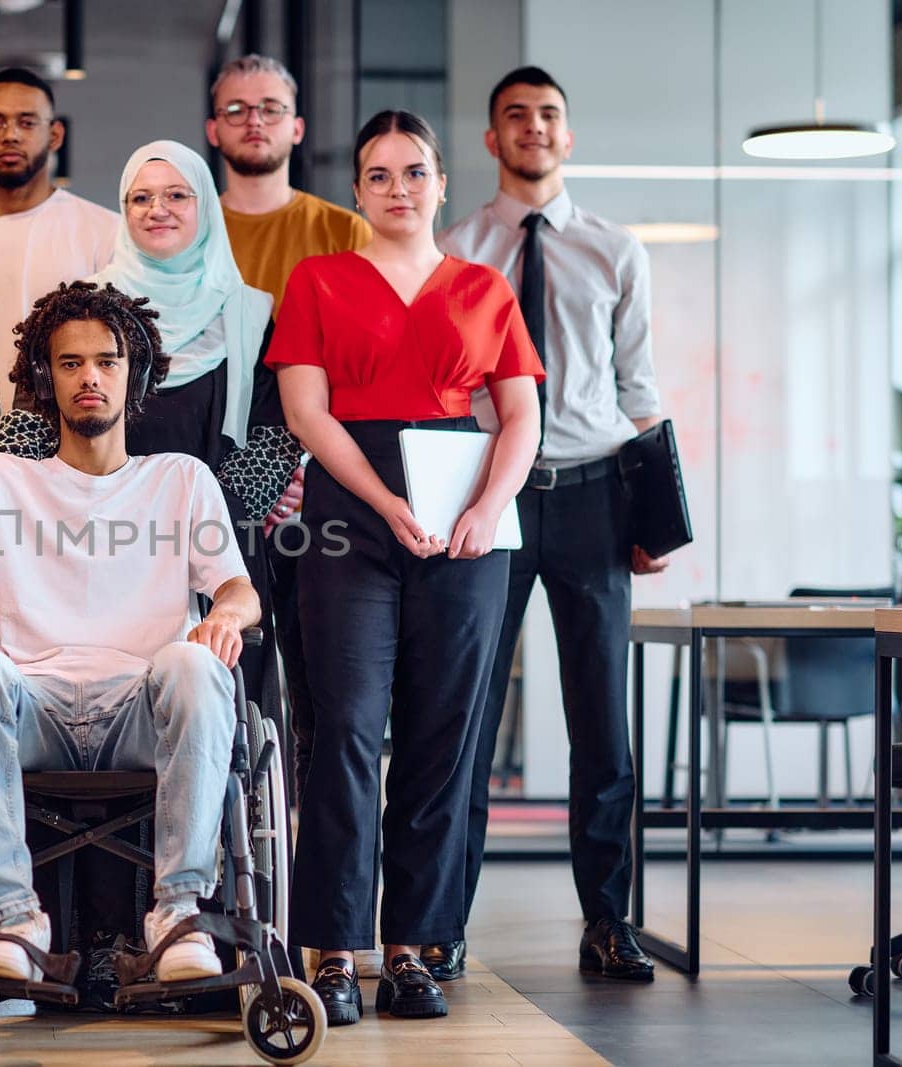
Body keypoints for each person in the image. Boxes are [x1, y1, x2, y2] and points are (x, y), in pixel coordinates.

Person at [271, 109, 542, 1024]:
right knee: (344, 731)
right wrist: (387, 503)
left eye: (414, 172)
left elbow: (520, 419)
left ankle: (413, 947)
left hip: (464, 519)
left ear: (440, 183)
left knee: (440, 740)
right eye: (379, 175)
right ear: (356, 190)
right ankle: (335, 949)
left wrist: (483, 510)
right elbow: (307, 413)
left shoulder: (485, 288)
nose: (398, 189)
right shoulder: (317, 279)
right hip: (352, 511)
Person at [0, 280, 261, 985]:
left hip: (140, 705)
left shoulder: (181, 479)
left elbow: (237, 590)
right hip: (30, 707)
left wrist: (225, 617)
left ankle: (178, 914)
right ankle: (12, 916)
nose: (90, 377)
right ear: (46, 377)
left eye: (106, 361)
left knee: (201, 667)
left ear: (132, 373)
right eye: (71, 362)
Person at [431, 66, 665, 986]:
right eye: (516, 116)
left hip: (595, 491)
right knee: (467, 715)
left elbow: (640, 390)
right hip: (489, 492)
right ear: (491, 140)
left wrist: (655, 517)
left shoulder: (616, 250)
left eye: (550, 115)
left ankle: (608, 920)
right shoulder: (457, 249)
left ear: (569, 137)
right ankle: (440, 921)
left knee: (601, 718)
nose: (534, 127)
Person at [0, 141, 296, 728]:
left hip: (215, 537)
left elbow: (277, 435)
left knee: (214, 717)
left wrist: (196, 519)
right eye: (141, 197)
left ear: (205, 208)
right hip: (87, 537)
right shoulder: (85, 310)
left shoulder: (251, 313)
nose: (159, 209)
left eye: (178, 195)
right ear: (123, 211)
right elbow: (32, 415)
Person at [206, 53, 373, 804]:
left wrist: (305, 464)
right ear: (213, 128)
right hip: (207, 484)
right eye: (237, 109)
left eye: (269, 107)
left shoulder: (346, 233)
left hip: (323, 487)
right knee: (222, 680)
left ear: (297, 127)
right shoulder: (182, 223)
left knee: (323, 693)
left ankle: (310, 878)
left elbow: (366, 364)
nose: (253, 121)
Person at [0, 67, 119, 413]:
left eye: (27, 123)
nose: (10, 135)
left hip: (73, 450)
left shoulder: (105, 231)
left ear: (55, 135)